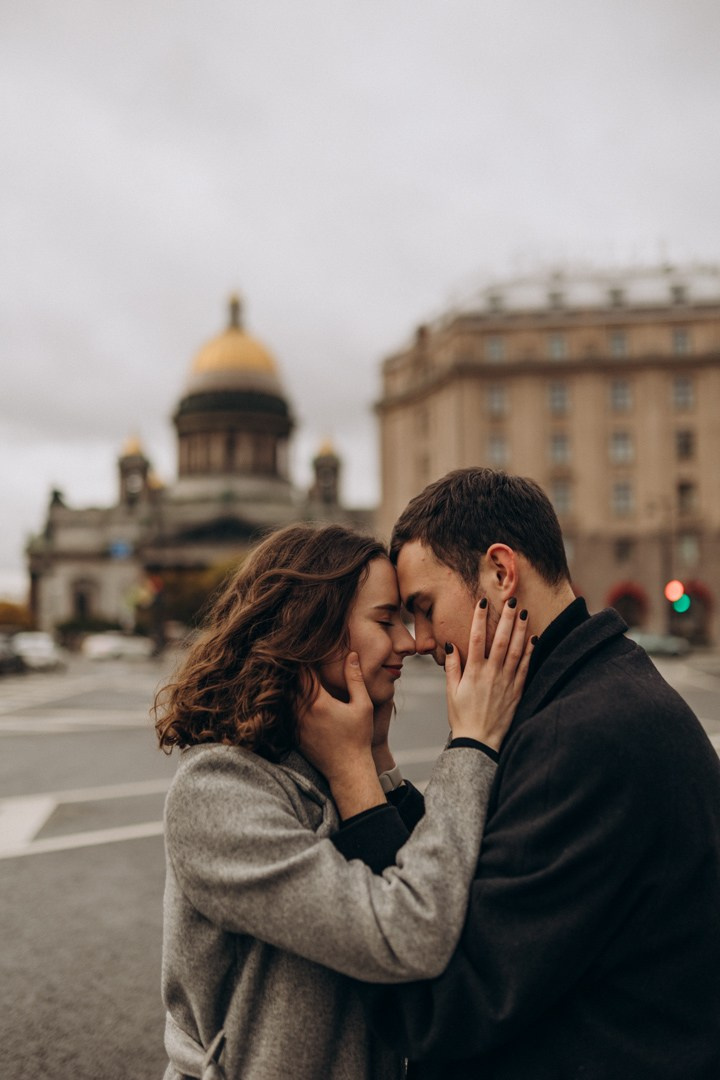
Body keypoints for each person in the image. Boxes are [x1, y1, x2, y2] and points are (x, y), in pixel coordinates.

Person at [308, 469, 720, 1080]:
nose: (419, 642)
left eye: (423, 608)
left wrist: (355, 782)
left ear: (501, 574)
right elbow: (472, 876)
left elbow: (436, 1008)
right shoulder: (591, 687)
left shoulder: (579, 735)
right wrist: (385, 765)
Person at [153, 521, 531, 1080]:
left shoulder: (330, 755)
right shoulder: (217, 790)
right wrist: (471, 745)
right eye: (386, 620)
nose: (409, 642)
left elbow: (443, 883)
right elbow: (410, 934)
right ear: (313, 628)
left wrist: (376, 756)